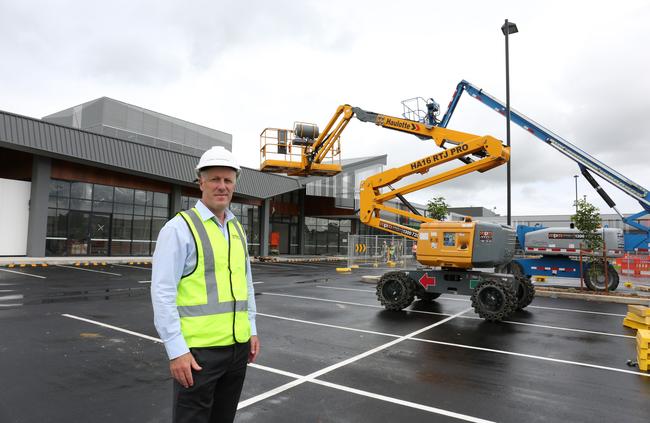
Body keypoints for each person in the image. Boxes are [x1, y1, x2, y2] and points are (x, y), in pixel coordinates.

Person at [151, 146, 260, 423]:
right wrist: (176, 351)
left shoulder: (236, 228)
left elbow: (245, 283)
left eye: (227, 180)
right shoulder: (179, 228)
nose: (221, 186)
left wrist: (252, 330)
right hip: (197, 356)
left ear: (235, 184)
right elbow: (162, 293)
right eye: (214, 179)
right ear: (201, 181)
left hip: (237, 350)